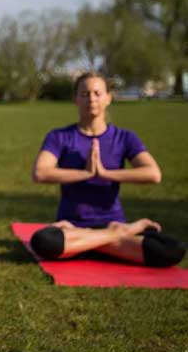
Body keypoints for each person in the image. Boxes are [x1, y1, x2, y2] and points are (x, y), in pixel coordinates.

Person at [30, 72, 184, 267]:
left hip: (98, 228)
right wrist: (85, 174)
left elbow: (153, 174)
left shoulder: (125, 137)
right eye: (84, 94)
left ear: (108, 98)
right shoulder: (59, 136)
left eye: (97, 93)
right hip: (72, 226)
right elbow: (40, 172)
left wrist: (104, 173)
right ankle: (113, 236)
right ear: (75, 99)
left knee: (172, 249)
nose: (91, 99)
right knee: (43, 241)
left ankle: (92, 241)